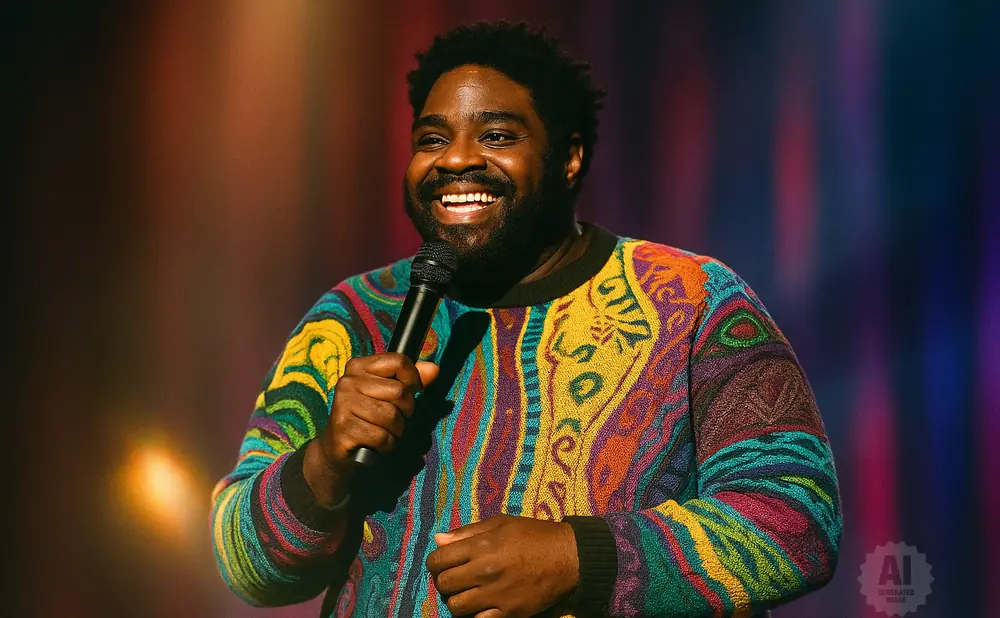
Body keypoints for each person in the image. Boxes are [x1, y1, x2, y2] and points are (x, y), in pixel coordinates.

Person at [210, 20, 842, 618]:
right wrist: (324, 463)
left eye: (497, 136)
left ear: (569, 158)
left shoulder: (694, 300)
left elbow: (796, 520)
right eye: (431, 139)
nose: (455, 160)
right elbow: (246, 568)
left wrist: (575, 559)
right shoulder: (356, 316)